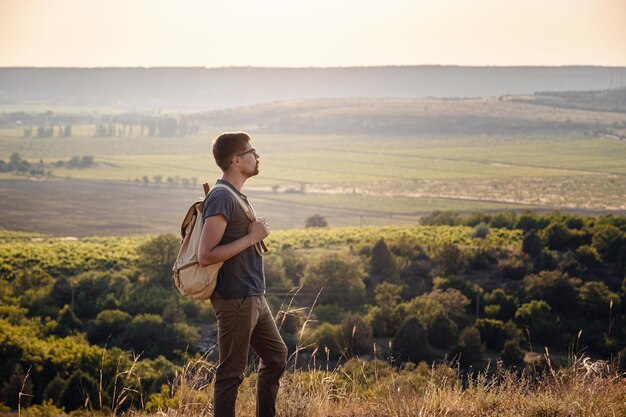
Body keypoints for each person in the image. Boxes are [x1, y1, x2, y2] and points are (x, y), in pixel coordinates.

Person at [198, 132, 288, 417]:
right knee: (231, 373)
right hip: (235, 298)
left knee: (276, 357)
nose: (257, 156)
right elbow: (206, 254)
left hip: (252, 296)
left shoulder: (235, 195)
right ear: (236, 160)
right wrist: (252, 238)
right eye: (251, 151)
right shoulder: (222, 196)